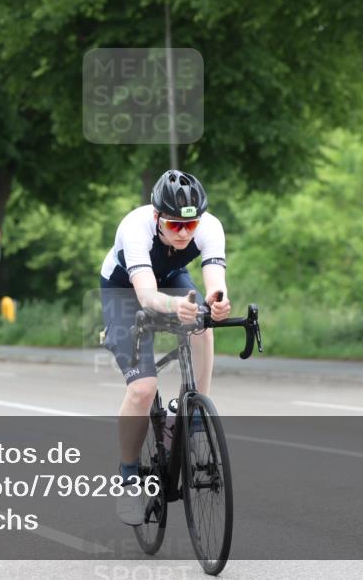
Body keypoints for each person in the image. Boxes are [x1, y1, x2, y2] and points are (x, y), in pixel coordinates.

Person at [99, 169, 231, 525]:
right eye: (175, 226)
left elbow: (214, 277)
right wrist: (176, 307)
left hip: (171, 280)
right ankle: (128, 478)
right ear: (158, 217)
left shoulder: (209, 226)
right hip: (125, 291)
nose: (185, 233)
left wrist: (218, 302)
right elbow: (145, 294)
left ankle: (197, 410)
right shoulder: (135, 227)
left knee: (203, 323)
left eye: (191, 225)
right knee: (143, 389)